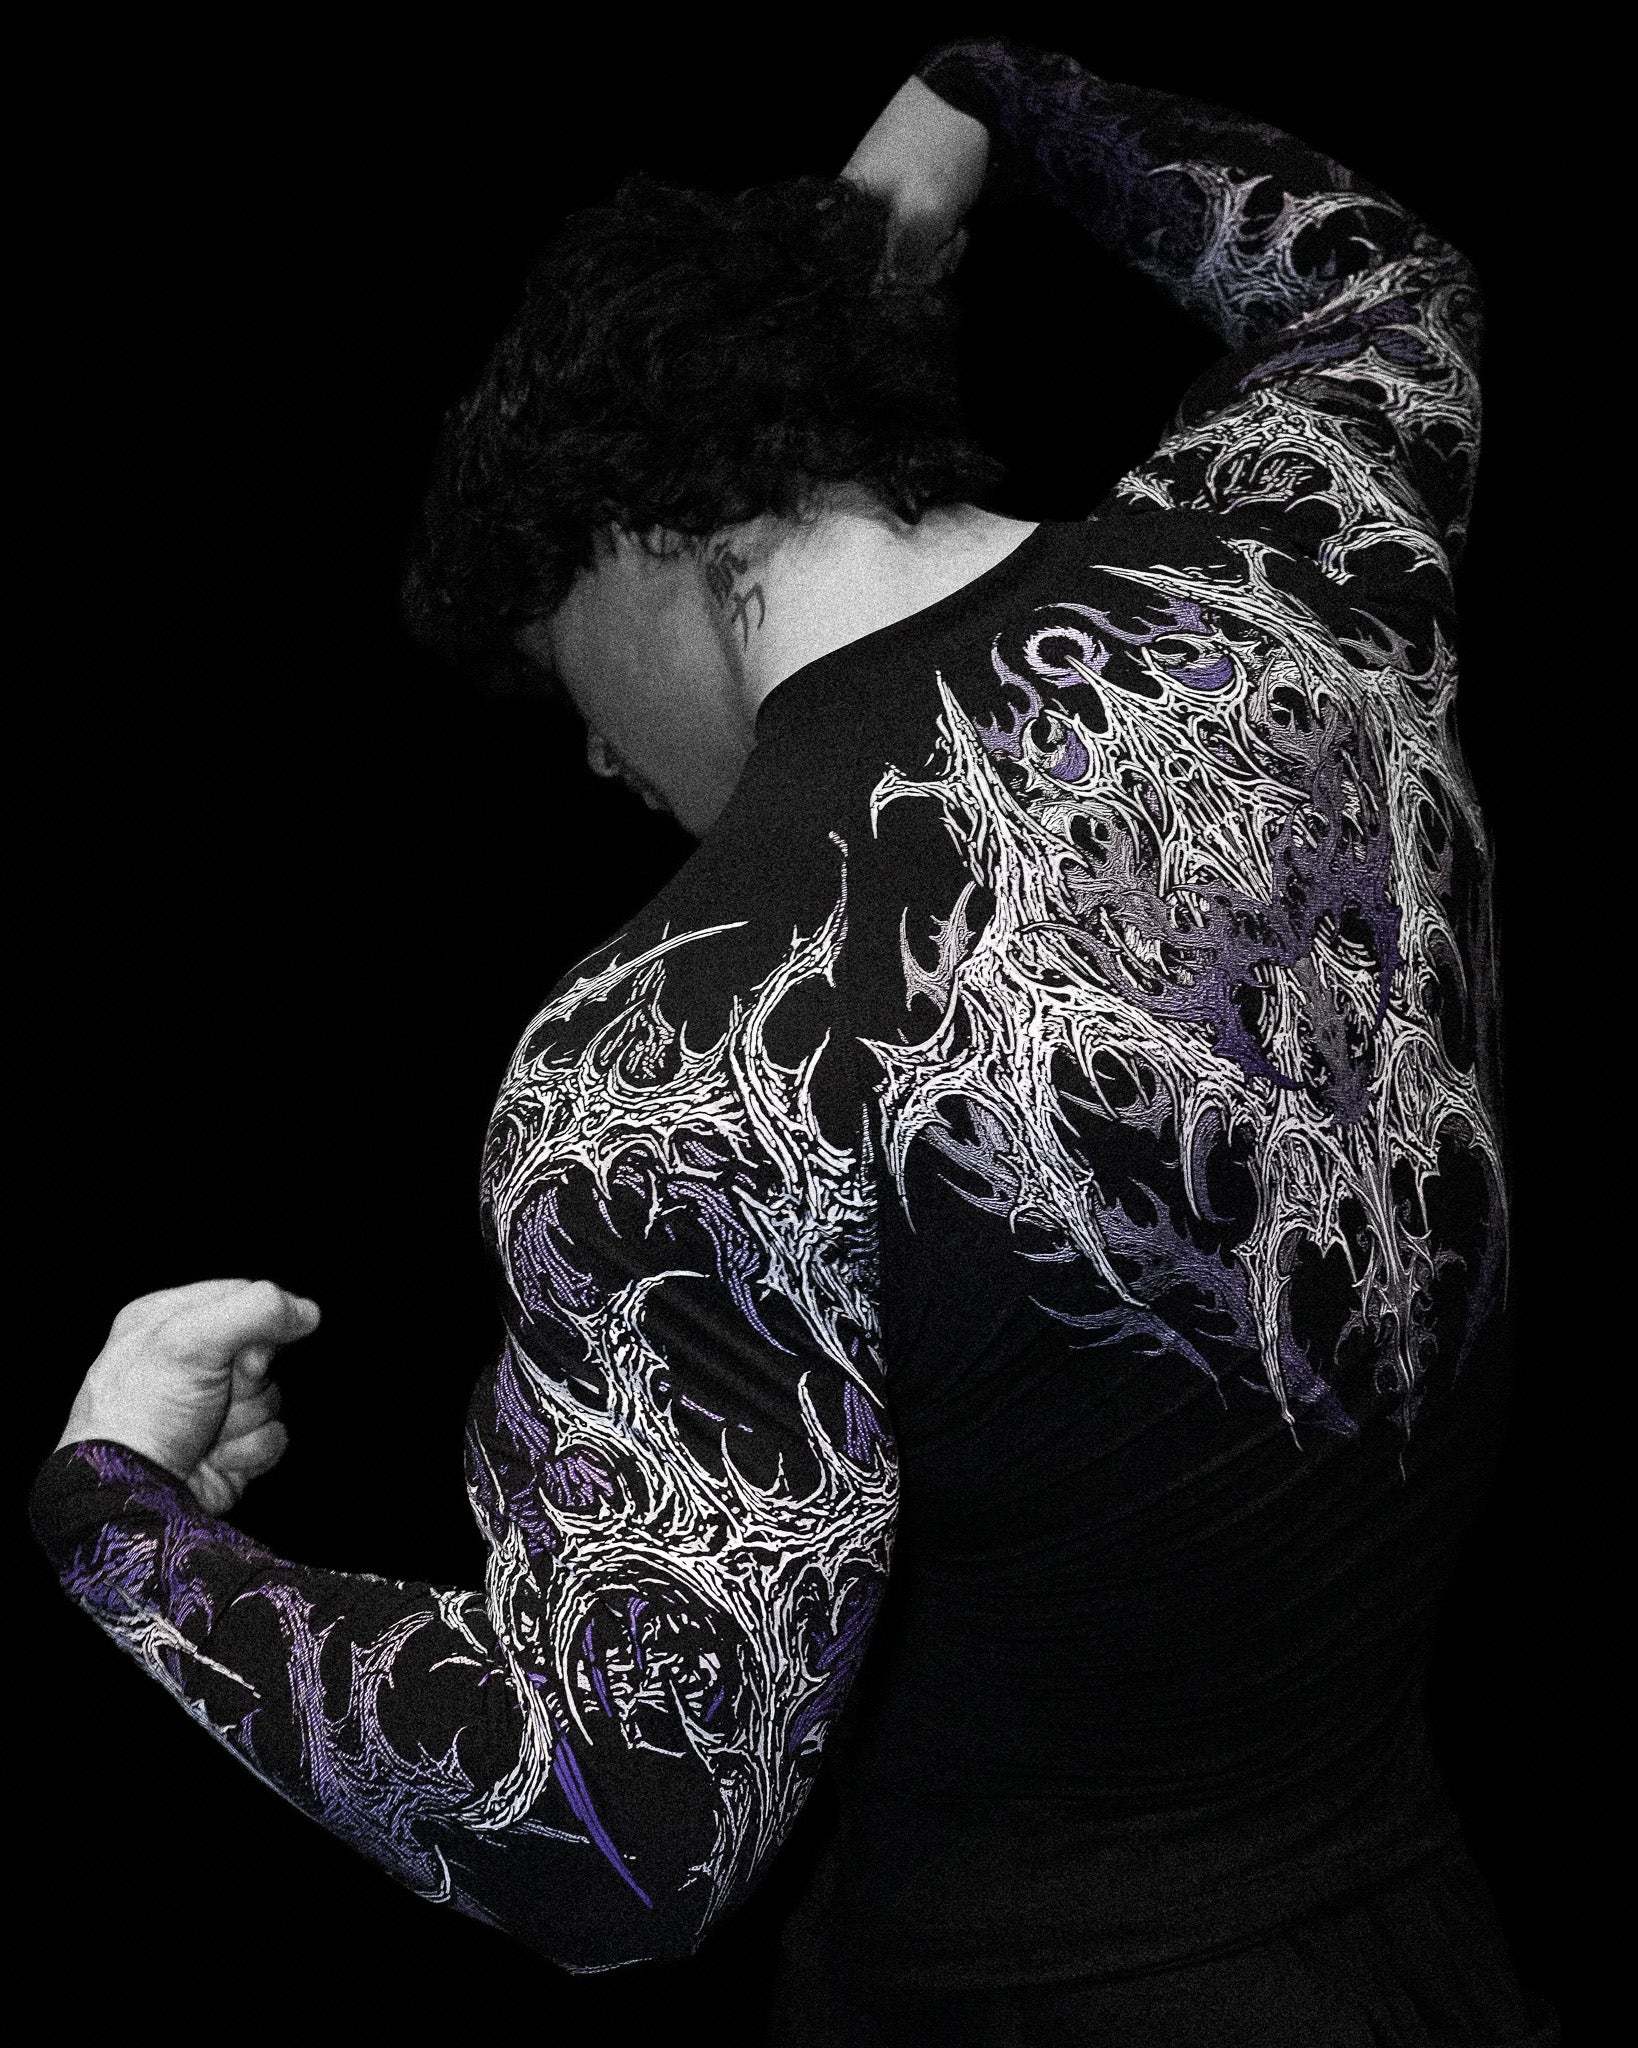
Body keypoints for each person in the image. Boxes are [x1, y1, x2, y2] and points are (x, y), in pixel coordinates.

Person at [25, 35, 1558, 2047]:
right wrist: (984, 91)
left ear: (646, 527)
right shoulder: (1302, 558)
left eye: (560, 673)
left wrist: (125, 1518)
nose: (596, 759)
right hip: (1423, 1949)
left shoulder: (676, 1055)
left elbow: (606, 1837)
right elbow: (1379, 272)